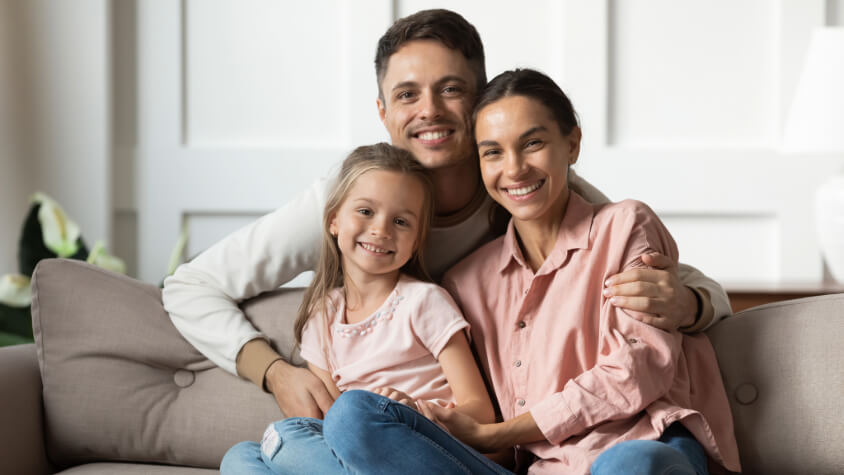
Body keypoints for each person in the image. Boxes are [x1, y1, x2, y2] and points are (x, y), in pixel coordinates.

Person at [162, 9, 732, 420]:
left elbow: (690, 283)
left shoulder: (528, 186)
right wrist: (274, 372)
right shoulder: (347, 203)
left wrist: (689, 303)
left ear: (482, 100)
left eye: (451, 89)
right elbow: (190, 286)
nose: (429, 111)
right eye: (407, 95)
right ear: (383, 113)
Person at [317, 69, 740, 474]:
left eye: (532, 143)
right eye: (493, 152)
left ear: (572, 143)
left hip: (641, 446)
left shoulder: (624, 225)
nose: (515, 168)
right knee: (344, 419)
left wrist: (496, 433)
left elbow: (640, 368)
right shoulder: (467, 282)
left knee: (626, 466)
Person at [219, 143, 504, 474]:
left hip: (437, 452)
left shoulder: (424, 301)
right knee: (244, 456)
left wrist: (415, 411)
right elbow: (324, 423)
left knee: (348, 413)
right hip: (361, 453)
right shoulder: (322, 316)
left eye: (400, 221)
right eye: (366, 212)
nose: (381, 230)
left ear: (416, 240)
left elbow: (481, 412)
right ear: (334, 220)